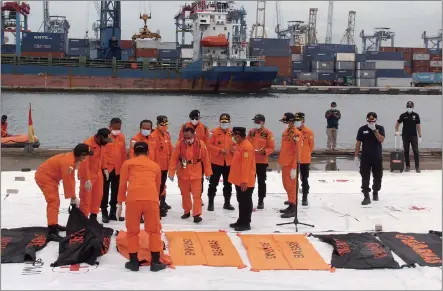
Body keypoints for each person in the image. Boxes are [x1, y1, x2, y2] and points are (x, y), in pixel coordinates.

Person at [116, 142, 166, 272]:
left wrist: (119, 203)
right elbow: (158, 185)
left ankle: (133, 262)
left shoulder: (127, 164)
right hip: (151, 199)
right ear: (148, 152)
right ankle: (155, 262)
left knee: (132, 232)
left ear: (133, 152)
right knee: (154, 231)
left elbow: (122, 185)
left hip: (133, 200)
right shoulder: (155, 166)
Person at [35, 144, 93, 241]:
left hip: (51, 177)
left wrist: (72, 196)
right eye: (86, 155)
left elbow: (71, 178)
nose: (86, 158)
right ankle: (52, 231)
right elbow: (67, 180)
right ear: (82, 155)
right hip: (45, 177)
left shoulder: (73, 159)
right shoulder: (68, 162)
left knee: (55, 201)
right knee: (53, 201)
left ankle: (54, 224)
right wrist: (73, 197)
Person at [169, 127, 212, 223]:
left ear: (194, 135)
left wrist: (208, 173)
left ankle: (197, 214)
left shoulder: (201, 144)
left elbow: (206, 159)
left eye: (189, 137)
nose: (187, 139)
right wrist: (171, 173)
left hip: (196, 174)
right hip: (182, 173)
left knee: (197, 195)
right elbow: (173, 159)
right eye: (185, 137)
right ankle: (187, 211)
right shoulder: (179, 144)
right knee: (185, 194)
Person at [78, 128, 112, 222]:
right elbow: (83, 164)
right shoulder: (87, 145)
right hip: (87, 175)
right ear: (99, 137)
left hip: (98, 174)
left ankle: (93, 218)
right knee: (86, 198)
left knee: (97, 197)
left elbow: (102, 157)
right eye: (105, 140)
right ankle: (83, 220)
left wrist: (105, 168)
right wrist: (87, 179)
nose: (106, 143)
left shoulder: (101, 144)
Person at [178, 110, 210, 206]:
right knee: (185, 179)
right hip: (185, 157)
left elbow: (206, 143)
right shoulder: (184, 127)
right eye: (193, 118)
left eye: (197, 118)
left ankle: (198, 197)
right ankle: (187, 199)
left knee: (200, 180)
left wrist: (206, 159)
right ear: (190, 118)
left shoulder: (204, 128)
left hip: (198, 158)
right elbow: (180, 141)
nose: (195, 120)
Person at [228, 127, 256, 232]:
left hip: (245, 181)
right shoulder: (240, 145)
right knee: (241, 200)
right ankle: (241, 220)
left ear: (238, 136)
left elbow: (246, 165)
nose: (233, 138)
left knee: (245, 201)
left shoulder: (246, 147)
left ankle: (246, 223)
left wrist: (244, 181)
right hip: (239, 179)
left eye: (234, 136)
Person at [354, 112, 385, 205]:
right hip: (365, 157)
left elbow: (381, 140)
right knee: (365, 176)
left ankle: (375, 191)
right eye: (369, 120)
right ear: (366, 119)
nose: (371, 122)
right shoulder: (362, 129)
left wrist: (375, 130)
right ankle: (366, 195)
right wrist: (356, 155)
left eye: (372, 120)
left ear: (376, 119)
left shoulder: (380, 128)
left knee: (378, 176)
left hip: (377, 156)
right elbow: (358, 143)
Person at [206, 113, 235, 211]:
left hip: (229, 163)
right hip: (216, 162)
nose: (224, 123)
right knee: (213, 184)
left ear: (229, 122)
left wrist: (233, 149)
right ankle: (210, 203)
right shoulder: (213, 132)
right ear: (220, 122)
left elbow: (237, 144)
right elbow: (208, 145)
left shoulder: (233, 133)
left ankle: (227, 203)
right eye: (222, 122)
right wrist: (219, 150)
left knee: (228, 184)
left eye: (226, 122)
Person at [101, 118, 127, 223]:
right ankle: (104, 212)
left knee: (116, 191)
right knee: (104, 191)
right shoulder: (105, 137)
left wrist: (125, 167)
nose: (117, 130)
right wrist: (103, 168)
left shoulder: (122, 137)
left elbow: (124, 153)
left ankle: (113, 212)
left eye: (119, 128)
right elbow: (101, 154)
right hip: (107, 169)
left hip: (118, 168)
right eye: (115, 128)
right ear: (110, 127)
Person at [247, 114, 275, 209]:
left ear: (263, 122)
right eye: (255, 122)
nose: (256, 123)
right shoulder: (251, 132)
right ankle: (248, 198)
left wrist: (265, 152)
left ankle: (261, 200)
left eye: (258, 122)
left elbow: (271, 147)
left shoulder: (268, 133)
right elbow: (246, 143)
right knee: (250, 181)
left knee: (261, 182)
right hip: (251, 161)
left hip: (262, 162)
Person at [278, 113, 302, 218]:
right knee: (286, 185)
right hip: (285, 163)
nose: (284, 124)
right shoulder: (286, 132)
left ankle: (293, 207)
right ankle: (290, 204)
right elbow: (284, 148)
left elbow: (298, 152)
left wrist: (294, 167)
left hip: (291, 164)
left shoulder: (296, 134)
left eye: (285, 122)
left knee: (292, 187)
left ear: (291, 122)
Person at [150, 115, 174, 217]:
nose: (164, 127)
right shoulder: (153, 136)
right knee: (156, 188)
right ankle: (155, 207)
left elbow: (170, 150)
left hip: (165, 166)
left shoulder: (166, 135)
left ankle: (160, 204)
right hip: (156, 167)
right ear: (157, 124)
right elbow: (152, 153)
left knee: (161, 187)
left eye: (166, 125)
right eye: (162, 125)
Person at [395, 101, 422, 173]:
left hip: (413, 136)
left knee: (415, 151)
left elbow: (418, 126)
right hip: (405, 136)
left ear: (412, 107)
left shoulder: (416, 115)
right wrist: (397, 131)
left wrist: (420, 135)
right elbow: (397, 124)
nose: (409, 108)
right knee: (406, 151)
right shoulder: (403, 115)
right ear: (406, 107)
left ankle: (417, 167)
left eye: (410, 106)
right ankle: (407, 166)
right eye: (408, 107)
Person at [295, 112, 315, 206]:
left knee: (304, 179)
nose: (297, 122)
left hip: (304, 159)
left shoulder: (308, 131)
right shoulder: (292, 131)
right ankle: (292, 198)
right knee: (293, 179)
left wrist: (305, 154)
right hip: (293, 159)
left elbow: (311, 146)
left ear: (303, 120)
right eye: (296, 120)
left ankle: (304, 197)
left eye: (299, 120)